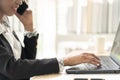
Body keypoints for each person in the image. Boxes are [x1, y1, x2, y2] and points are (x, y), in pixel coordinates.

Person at [0, 0, 101, 80]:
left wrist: (29, 27)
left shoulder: (4, 23)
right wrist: (65, 61)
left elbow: (26, 60)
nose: (20, 2)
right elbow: (12, 69)